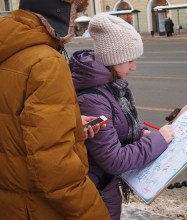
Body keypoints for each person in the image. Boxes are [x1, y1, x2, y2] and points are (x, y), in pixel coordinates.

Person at [0, 0, 111, 219]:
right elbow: (56, 168)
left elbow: (11, 120)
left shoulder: (9, 45)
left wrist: (68, 122)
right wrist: (96, 213)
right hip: (37, 207)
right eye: (75, 12)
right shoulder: (46, 61)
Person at [70, 14, 175, 220]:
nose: (133, 67)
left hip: (103, 185)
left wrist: (138, 135)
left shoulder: (110, 87)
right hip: (96, 191)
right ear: (113, 59)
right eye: (129, 60)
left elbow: (115, 131)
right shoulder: (94, 98)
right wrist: (158, 139)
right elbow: (114, 160)